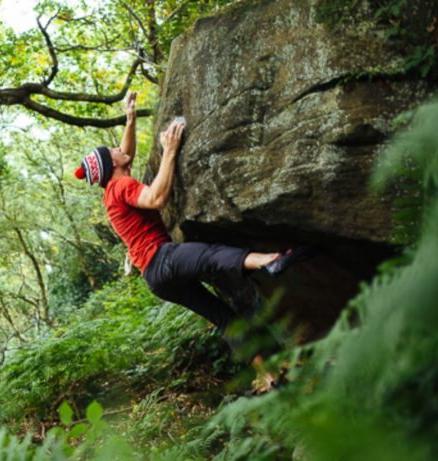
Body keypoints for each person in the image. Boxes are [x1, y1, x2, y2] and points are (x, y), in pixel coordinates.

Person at [76, 92, 310, 349]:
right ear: (112, 164)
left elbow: (126, 151)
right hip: (162, 259)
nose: (120, 149)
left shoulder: (112, 188)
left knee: (222, 317)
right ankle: (269, 261)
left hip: (156, 278)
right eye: (114, 150)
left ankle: (267, 377)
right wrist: (170, 152)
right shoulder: (121, 186)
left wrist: (130, 119)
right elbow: (156, 198)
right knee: (210, 255)